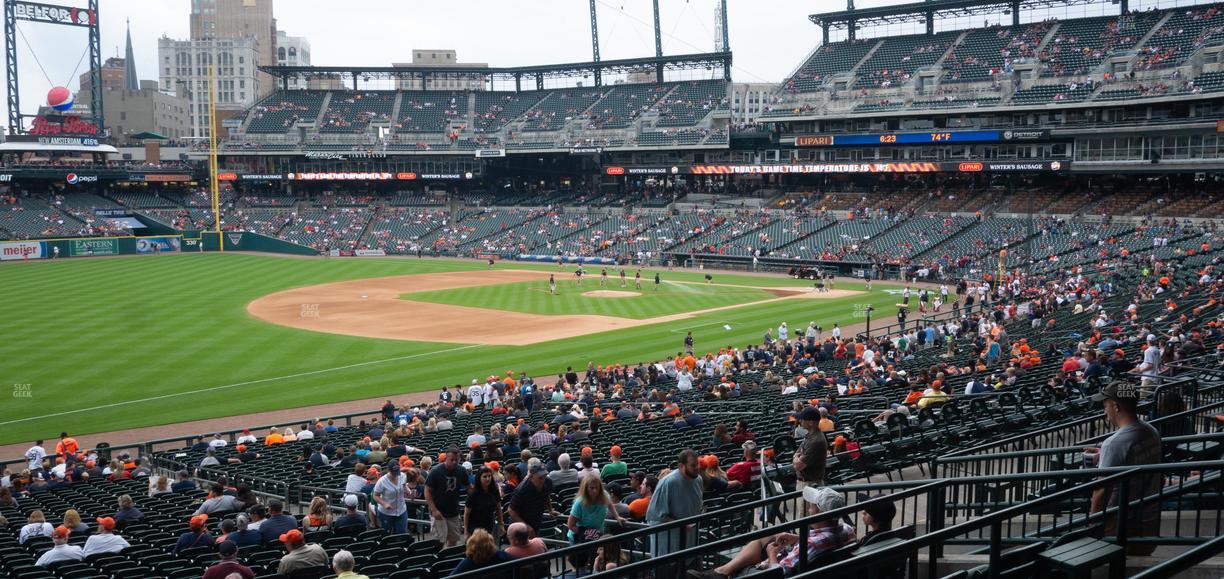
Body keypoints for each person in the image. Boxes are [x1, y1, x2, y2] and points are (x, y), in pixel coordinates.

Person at [686, 487, 856, 578]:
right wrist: (797, 538)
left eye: (812, 507)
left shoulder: (812, 543)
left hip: (770, 574)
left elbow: (778, 573)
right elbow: (821, 540)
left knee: (761, 550)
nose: (809, 510)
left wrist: (771, 555)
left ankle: (722, 573)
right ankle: (721, 572)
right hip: (816, 566)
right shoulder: (847, 530)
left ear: (819, 512)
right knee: (767, 535)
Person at [1088, 381, 1163, 555]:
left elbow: (1100, 491)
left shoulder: (1114, 444)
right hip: (1150, 518)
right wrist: (1104, 455)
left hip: (1122, 522)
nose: (1104, 411)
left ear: (1116, 406)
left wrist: (1092, 525)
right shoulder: (1151, 431)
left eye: (1105, 405)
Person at [646, 450, 704, 558]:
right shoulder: (668, 482)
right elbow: (655, 516)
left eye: (698, 464)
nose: (697, 468)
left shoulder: (698, 480)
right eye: (693, 465)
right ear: (681, 466)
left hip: (691, 546)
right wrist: (681, 524)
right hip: (667, 549)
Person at [425, 446, 469, 547]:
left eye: (457, 460)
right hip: (438, 511)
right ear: (446, 458)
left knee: (453, 540)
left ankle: (448, 560)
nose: (454, 462)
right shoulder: (436, 471)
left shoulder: (461, 470)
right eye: (452, 460)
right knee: (439, 541)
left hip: (453, 511)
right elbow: (427, 490)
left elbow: (469, 488)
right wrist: (434, 510)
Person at [509, 465, 558, 535]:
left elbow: (546, 494)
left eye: (545, 476)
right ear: (531, 477)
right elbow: (511, 511)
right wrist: (526, 526)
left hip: (536, 520)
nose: (543, 480)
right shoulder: (521, 490)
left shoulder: (547, 481)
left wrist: (550, 510)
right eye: (540, 478)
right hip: (521, 525)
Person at [465, 466, 505, 542]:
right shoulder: (473, 494)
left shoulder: (494, 490)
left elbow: (498, 508)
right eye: (485, 476)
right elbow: (466, 514)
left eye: (489, 476)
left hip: (490, 523)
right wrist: (466, 531)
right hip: (475, 527)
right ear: (479, 478)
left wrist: (501, 524)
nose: (488, 478)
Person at [793, 407, 828, 488]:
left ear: (811, 422)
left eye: (802, 419)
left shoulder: (816, 441)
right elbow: (797, 454)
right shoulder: (810, 435)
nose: (800, 421)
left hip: (810, 485)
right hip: (807, 483)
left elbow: (798, 466)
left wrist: (795, 457)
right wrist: (796, 457)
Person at [373, 461, 409, 534]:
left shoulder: (403, 476)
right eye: (393, 472)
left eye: (397, 472)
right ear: (389, 470)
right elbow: (375, 495)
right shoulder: (382, 481)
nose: (395, 475)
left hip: (401, 510)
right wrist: (384, 503)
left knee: (402, 533)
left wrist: (407, 490)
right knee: (387, 534)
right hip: (386, 513)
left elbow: (404, 485)